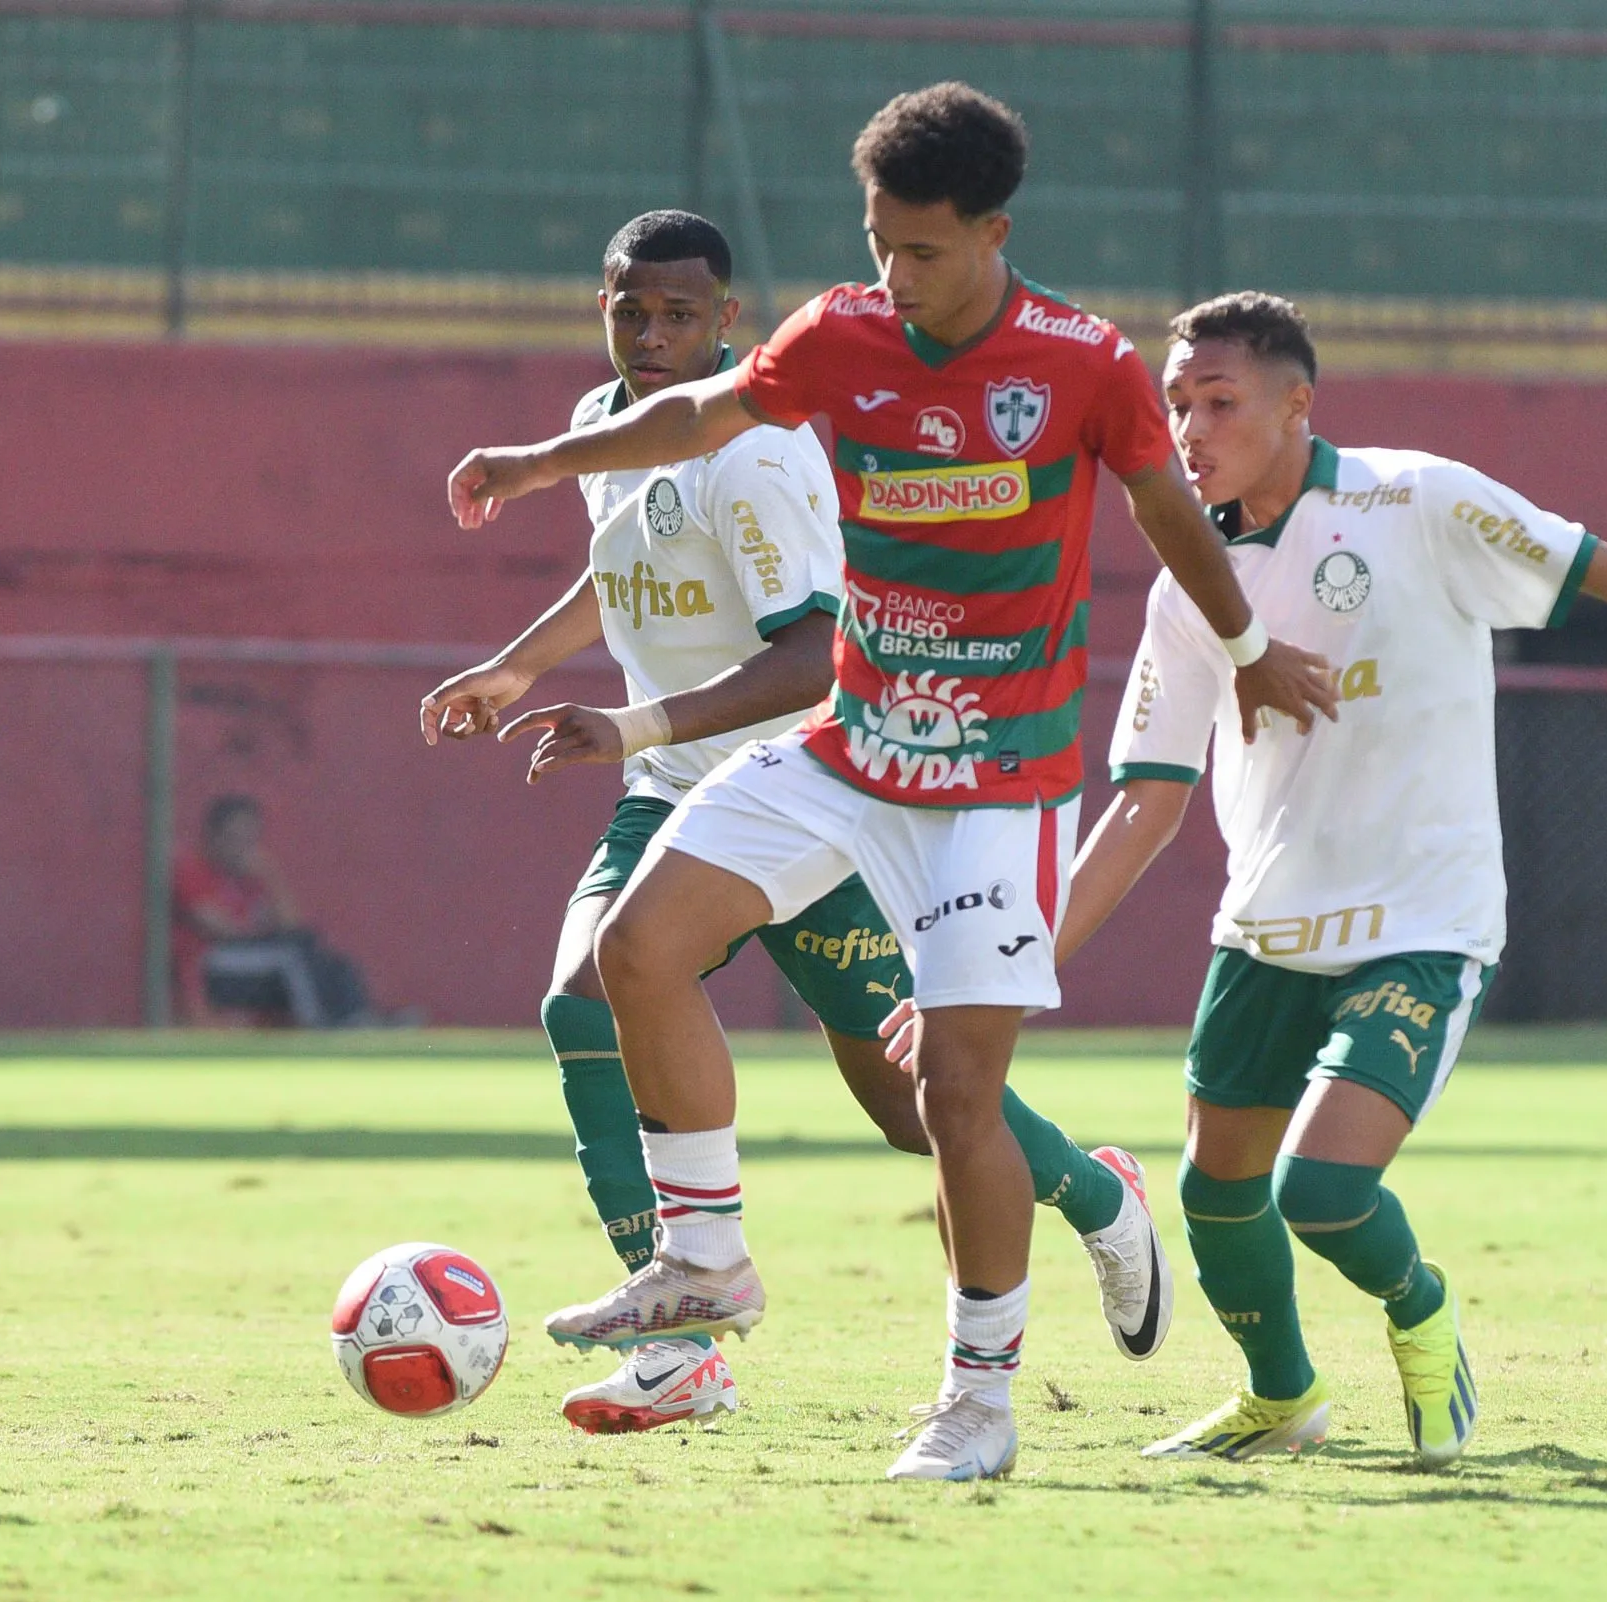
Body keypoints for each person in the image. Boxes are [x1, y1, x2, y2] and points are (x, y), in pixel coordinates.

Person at [445, 86, 1339, 1482]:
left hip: (999, 779)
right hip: (850, 748)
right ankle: (707, 1262)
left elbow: (1169, 513)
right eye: (877, 244)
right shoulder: (843, 334)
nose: (892, 276)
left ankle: (978, 1404)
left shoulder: (1083, 364)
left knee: (952, 1098)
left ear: (991, 232)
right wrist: (536, 460)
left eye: (921, 251)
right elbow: (699, 413)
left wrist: (1246, 648)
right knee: (634, 951)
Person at [1050, 289, 1607, 1464]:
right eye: (1176, 405)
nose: (1190, 430)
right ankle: (1284, 1398)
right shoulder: (1191, 582)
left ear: (1295, 403)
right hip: (1264, 929)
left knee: (1318, 1188)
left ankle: (1422, 1313)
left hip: (1420, 920)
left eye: (1218, 402)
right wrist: (1025, 965)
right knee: (1213, 1196)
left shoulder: (1417, 499)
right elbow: (1145, 798)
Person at [419, 209, 1172, 1438]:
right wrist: (513, 666)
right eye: (630, 310)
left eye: (679, 315)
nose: (651, 334)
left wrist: (634, 723)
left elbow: (816, 657)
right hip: (679, 792)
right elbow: (625, 569)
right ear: (601, 305)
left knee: (907, 1099)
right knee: (586, 997)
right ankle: (682, 1344)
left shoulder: (754, 451)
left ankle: (1098, 1194)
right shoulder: (612, 432)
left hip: (804, 790)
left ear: (729, 322)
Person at [173, 795, 378, 1028]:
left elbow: (293, 926)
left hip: (255, 963)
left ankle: (361, 1022)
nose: (242, 849)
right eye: (234, 839)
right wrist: (267, 936)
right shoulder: (190, 869)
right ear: (212, 836)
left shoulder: (252, 877)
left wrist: (272, 878)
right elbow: (220, 929)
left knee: (333, 963)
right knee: (291, 954)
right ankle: (319, 1027)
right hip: (211, 965)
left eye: (249, 841)